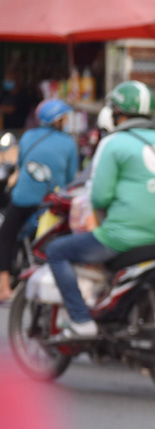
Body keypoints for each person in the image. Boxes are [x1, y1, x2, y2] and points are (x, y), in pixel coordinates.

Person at [45, 81, 155, 338]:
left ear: (117, 112)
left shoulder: (114, 143)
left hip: (122, 238)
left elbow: (99, 197)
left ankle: (81, 320)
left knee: (56, 251)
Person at [0, 98, 78, 302]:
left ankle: (4, 286)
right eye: (64, 118)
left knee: (6, 235)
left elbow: (22, 163)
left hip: (23, 198)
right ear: (58, 120)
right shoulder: (69, 143)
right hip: (51, 202)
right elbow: (71, 178)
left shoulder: (28, 136)